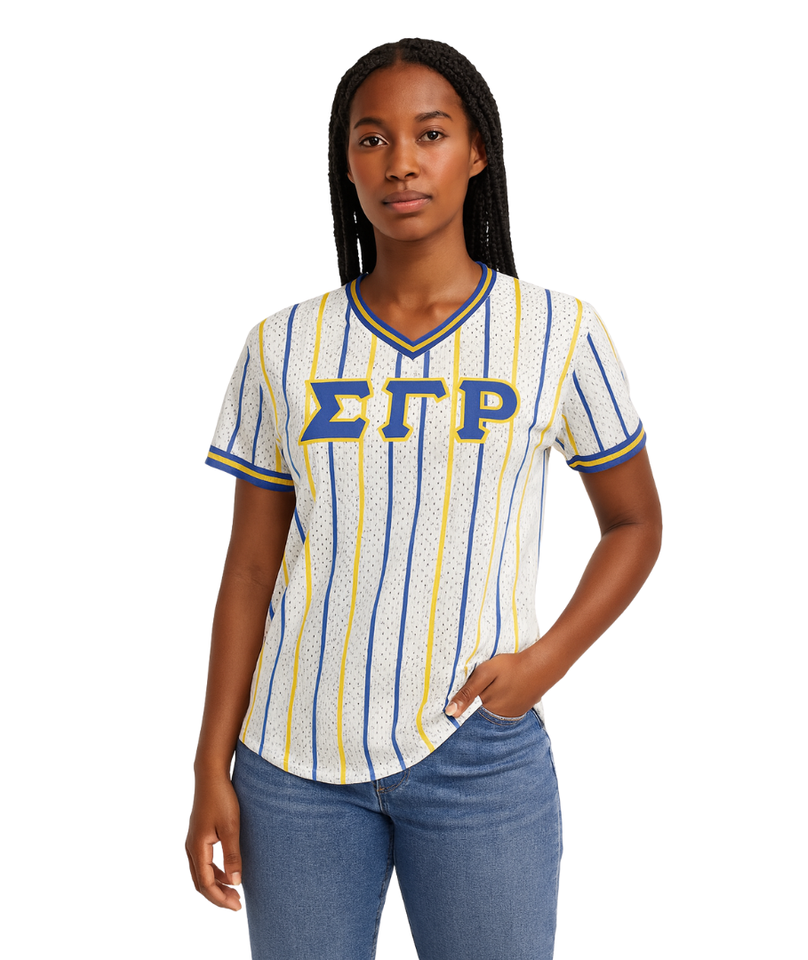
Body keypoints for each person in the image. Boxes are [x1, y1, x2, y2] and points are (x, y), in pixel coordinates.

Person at [185, 37, 661, 960]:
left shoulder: (557, 334)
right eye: (372, 139)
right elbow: (248, 570)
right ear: (346, 162)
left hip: (478, 753)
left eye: (430, 134)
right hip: (291, 764)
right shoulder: (283, 345)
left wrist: (546, 663)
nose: (400, 162)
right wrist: (211, 761)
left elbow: (635, 523)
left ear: (477, 150)